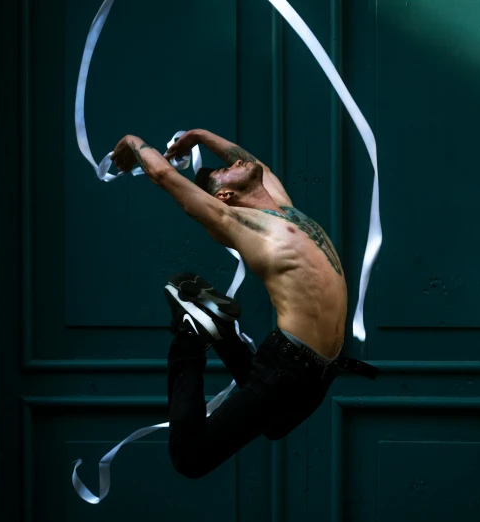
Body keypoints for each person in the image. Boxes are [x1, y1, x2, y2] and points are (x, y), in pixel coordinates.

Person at [110, 129, 377, 479]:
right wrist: (131, 142)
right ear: (225, 195)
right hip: (287, 366)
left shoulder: (283, 208)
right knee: (190, 459)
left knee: (276, 426)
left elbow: (253, 163)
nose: (236, 162)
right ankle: (190, 336)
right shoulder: (237, 222)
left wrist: (199, 136)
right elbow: (163, 175)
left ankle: (220, 330)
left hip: (318, 371)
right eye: (224, 171)